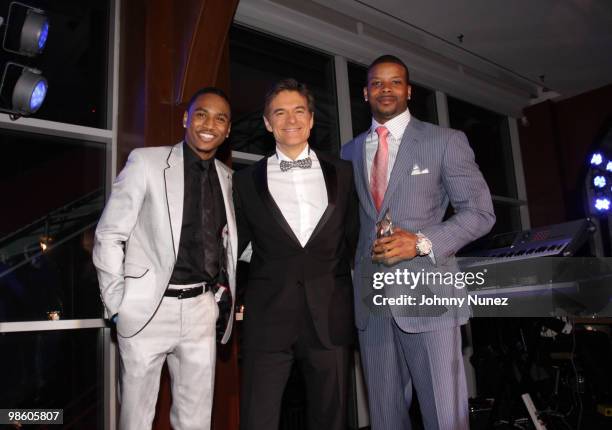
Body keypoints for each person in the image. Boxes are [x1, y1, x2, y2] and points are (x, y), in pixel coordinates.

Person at [341, 55, 495, 429]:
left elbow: (480, 213)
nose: (386, 89)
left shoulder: (445, 141)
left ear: (408, 90)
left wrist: (423, 241)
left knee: (444, 415)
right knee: (384, 418)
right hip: (372, 301)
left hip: (428, 294)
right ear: (365, 92)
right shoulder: (348, 152)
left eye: (395, 82)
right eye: (377, 83)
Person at [93, 87, 237, 430]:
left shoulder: (228, 177)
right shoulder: (146, 162)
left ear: (228, 130)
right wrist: (116, 305)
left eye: (220, 118)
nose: (209, 124)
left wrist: (220, 296)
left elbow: (227, 242)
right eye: (201, 113)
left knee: (196, 420)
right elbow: (109, 234)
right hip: (148, 309)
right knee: (137, 419)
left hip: (202, 310)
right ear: (186, 118)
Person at [233, 78, 358, 430]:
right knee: (258, 419)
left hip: (330, 316)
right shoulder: (244, 182)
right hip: (267, 318)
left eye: (299, 110)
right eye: (280, 112)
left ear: (312, 119)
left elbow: (354, 239)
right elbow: (236, 247)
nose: (291, 119)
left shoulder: (344, 173)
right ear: (267, 123)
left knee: (331, 419)